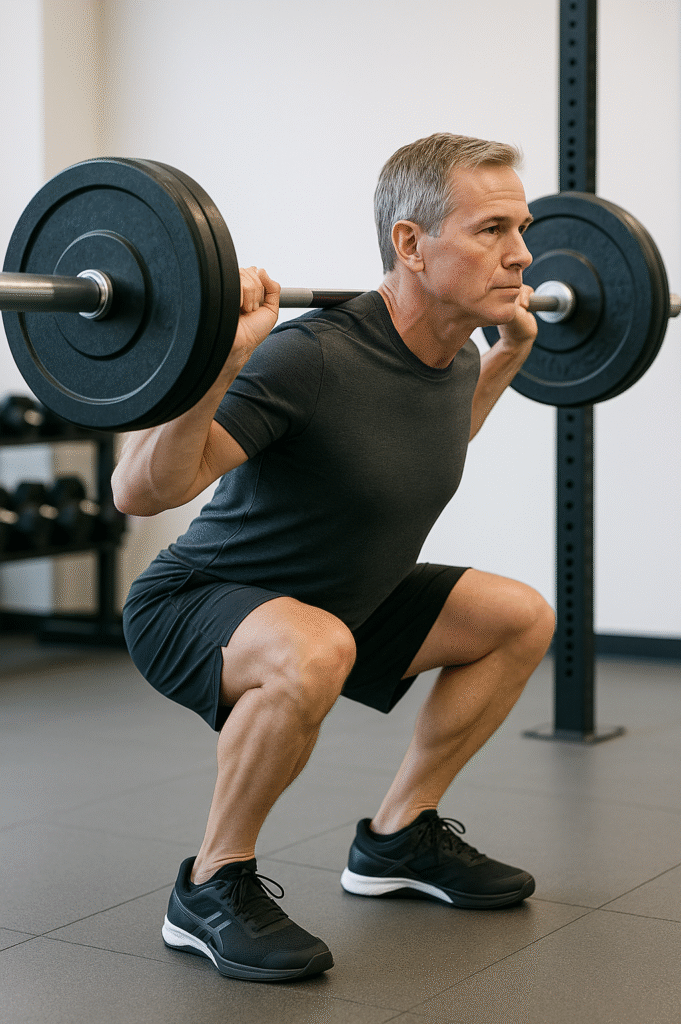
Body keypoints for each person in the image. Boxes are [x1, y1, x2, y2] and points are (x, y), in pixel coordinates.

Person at [113, 133, 556, 983]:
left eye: (521, 227)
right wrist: (221, 357)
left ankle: (398, 836)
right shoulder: (312, 355)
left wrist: (503, 366)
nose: (522, 252)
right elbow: (142, 490)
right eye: (492, 228)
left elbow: (410, 455)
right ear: (410, 245)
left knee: (517, 617)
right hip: (202, 600)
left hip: (346, 598)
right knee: (317, 647)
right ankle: (210, 886)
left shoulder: (455, 352)